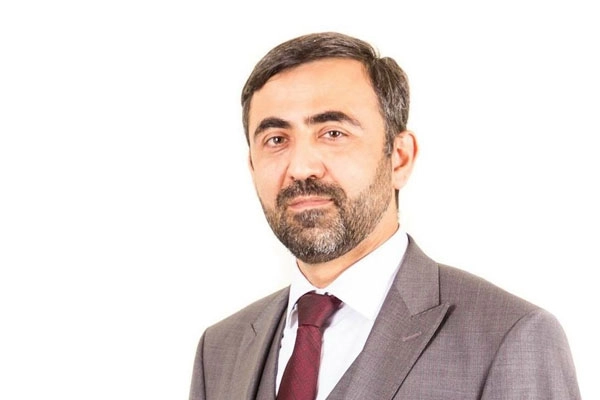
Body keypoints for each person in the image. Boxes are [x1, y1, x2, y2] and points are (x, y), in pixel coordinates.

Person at [189, 32, 580, 400]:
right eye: (276, 140)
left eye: (333, 133)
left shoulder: (509, 337)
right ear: (252, 165)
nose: (301, 167)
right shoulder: (219, 350)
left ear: (400, 158)